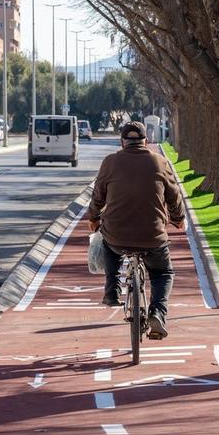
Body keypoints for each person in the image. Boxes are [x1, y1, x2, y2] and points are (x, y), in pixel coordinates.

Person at [88, 121, 185, 340]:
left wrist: (93, 219)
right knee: (163, 273)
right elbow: (174, 196)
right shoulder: (159, 162)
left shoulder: (110, 162)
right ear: (146, 141)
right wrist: (178, 219)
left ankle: (111, 290)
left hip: (116, 235)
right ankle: (158, 313)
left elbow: (98, 197)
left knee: (109, 245)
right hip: (153, 236)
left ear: (122, 142)